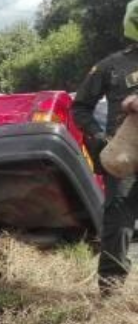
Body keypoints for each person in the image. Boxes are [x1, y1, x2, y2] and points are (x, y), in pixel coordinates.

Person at [72, 0, 138, 293]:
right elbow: (81, 107)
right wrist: (101, 139)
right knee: (119, 220)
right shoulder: (111, 65)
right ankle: (111, 292)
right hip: (124, 155)